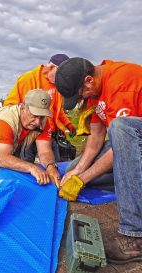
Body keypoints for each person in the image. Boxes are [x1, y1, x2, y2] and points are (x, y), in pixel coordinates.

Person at [55, 57, 142, 264]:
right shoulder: (96, 88)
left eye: (80, 95)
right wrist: (79, 171)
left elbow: (121, 146)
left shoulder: (122, 85)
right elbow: (95, 137)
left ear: (88, 81)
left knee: (120, 128)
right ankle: (130, 183)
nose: (82, 99)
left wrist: (83, 179)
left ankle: (135, 235)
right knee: (75, 167)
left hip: (131, 139)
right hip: (131, 142)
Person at [4, 54, 77, 162]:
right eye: (61, 76)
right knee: (26, 166)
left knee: (53, 164)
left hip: (49, 134)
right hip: (28, 134)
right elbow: (9, 107)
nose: (62, 81)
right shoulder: (27, 79)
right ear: (52, 68)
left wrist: (68, 125)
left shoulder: (57, 85)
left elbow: (57, 110)